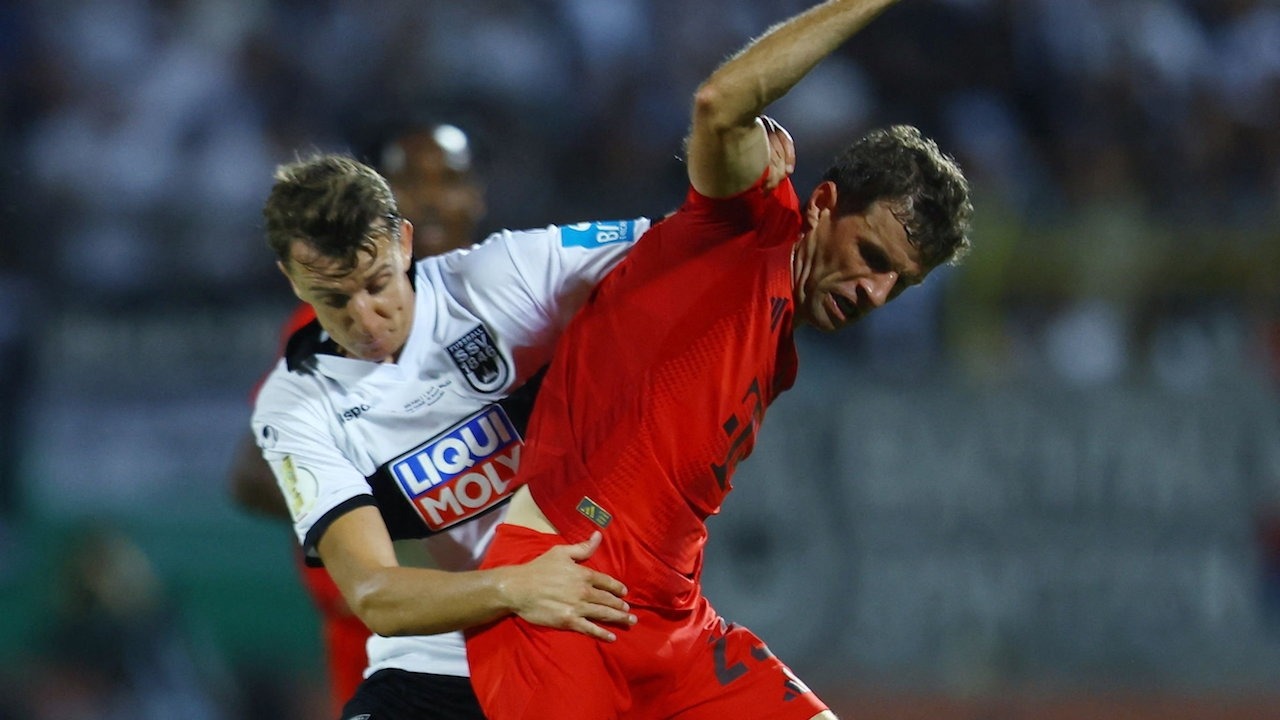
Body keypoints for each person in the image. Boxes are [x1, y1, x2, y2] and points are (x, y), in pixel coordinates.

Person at [463, 1, 973, 718]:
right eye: (871, 255)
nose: (876, 292)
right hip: (562, 590)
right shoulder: (745, 226)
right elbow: (720, 102)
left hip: (670, 620)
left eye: (901, 282)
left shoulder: (782, 335)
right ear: (823, 203)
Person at [248, 123, 801, 719]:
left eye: (377, 284)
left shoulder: (499, 277)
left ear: (403, 243)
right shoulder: (296, 404)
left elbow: (691, 242)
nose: (364, 317)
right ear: (292, 278)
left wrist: (747, 186)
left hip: (607, 617)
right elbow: (373, 592)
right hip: (449, 655)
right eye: (334, 299)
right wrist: (515, 586)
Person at [227, 123, 488, 715]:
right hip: (379, 629)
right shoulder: (336, 323)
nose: (431, 197)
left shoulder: (510, 295)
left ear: (477, 195)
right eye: (410, 182)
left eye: (448, 180)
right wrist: (387, 517)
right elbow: (251, 476)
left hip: (504, 607)